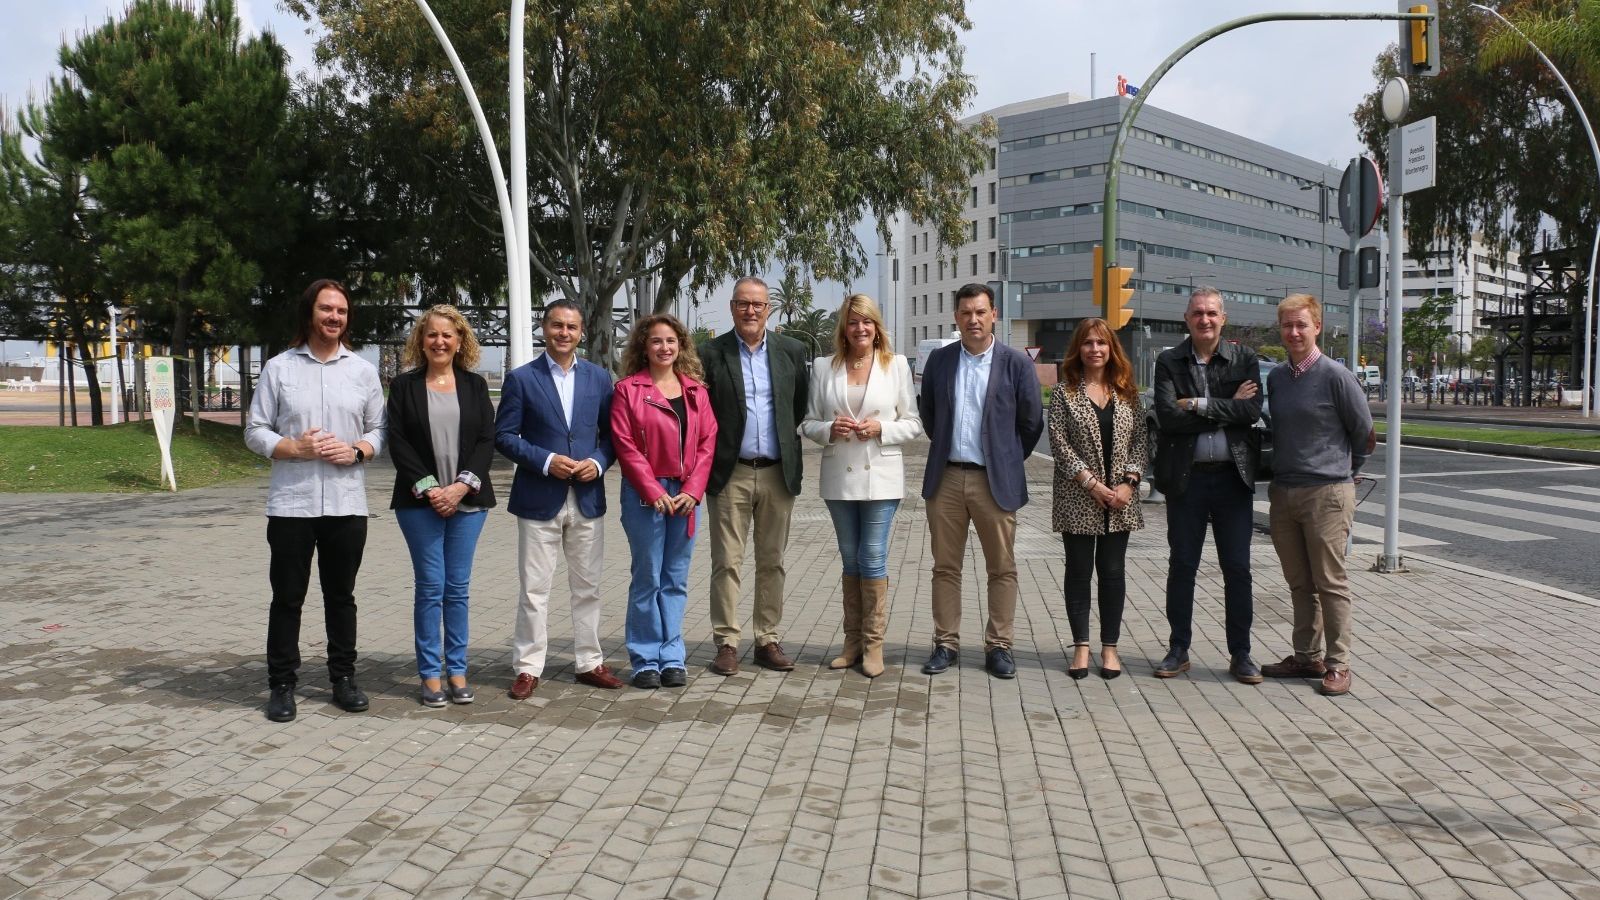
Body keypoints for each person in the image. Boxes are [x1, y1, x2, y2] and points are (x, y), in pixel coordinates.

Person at [245, 279, 384, 723]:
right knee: (287, 598)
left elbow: (380, 430)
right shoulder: (279, 368)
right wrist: (292, 448)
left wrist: (357, 450)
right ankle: (282, 685)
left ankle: (343, 678)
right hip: (292, 505)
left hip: (346, 505)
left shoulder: (362, 371)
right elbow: (254, 430)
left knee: (341, 597)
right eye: (326, 309)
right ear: (310, 314)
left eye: (341, 311)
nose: (334, 318)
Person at [495, 300, 623, 699]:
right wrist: (547, 461)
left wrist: (598, 464)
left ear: (581, 332)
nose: (563, 333)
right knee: (535, 588)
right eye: (556, 325)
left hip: (586, 497)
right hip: (539, 497)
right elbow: (505, 437)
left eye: (571, 327)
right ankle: (529, 667)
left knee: (588, 586)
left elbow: (612, 437)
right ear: (543, 328)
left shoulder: (600, 379)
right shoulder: (521, 379)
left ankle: (589, 661)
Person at [917, 283, 1045, 679]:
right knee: (945, 567)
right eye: (966, 312)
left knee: (1002, 568)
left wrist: (1004, 460)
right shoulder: (940, 362)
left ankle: (1000, 646)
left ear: (994, 316)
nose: (973, 319)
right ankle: (945, 643)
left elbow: (1031, 422)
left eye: (981, 312)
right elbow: (929, 416)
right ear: (956, 317)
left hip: (996, 483)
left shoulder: (1015, 364)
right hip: (948, 478)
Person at [799, 294, 923, 678]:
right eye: (853, 322)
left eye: (867, 321)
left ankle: (874, 645)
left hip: (881, 478)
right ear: (844, 328)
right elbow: (807, 422)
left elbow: (913, 423)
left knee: (872, 558)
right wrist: (827, 429)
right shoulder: (824, 367)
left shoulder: (896, 365)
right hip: (839, 477)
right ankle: (851, 642)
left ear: (876, 326)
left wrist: (882, 428)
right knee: (850, 559)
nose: (860, 329)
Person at [1150, 287, 1265, 684]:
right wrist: (1224, 407)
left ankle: (1241, 654)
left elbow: (1250, 411)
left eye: (1211, 313)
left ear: (1223, 318)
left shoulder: (1245, 358)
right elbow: (1167, 417)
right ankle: (1178, 648)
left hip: (1233, 479)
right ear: (1187, 318)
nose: (1205, 320)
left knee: (1238, 569)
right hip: (1187, 479)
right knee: (1182, 566)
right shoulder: (1168, 361)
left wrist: (1195, 404)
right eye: (1198, 313)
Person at [1261, 294, 1373, 696]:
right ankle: (1307, 657)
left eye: (1301, 325)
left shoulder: (1336, 376)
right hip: (1285, 491)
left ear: (1317, 327)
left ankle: (1339, 664)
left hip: (1326, 492)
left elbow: (1364, 434)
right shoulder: (1276, 378)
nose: (1293, 332)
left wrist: (1345, 473)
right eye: (1287, 325)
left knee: (1330, 582)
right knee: (1298, 582)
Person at [698, 277, 811, 675]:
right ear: (732, 308)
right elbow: (703, 412)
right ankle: (726, 642)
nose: (751, 310)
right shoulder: (710, 353)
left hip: (778, 472)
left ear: (769, 310)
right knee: (726, 561)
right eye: (743, 303)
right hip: (731, 473)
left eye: (758, 304)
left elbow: (796, 407)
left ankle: (768, 639)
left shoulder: (792, 351)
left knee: (772, 560)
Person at [386, 305, 497, 707]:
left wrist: (460, 487)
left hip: (467, 503)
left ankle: (458, 670)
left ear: (460, 340)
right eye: (431, 334)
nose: (439, 341)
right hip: (420, 503)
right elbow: (397, 441)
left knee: (458, 590)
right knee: (430, 588)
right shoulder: (404, 387)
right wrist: (433, 488)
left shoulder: (475, 385)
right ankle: (430, 675)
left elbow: (487, 439)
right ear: (421, 340)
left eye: (447, 335)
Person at [611, 314, 718, 689]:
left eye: (671, 341)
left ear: (681, 345)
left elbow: (707, 442)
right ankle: (644, 658)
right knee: (647, 578)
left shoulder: (695, 391)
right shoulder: (627, 390)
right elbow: (625, 445)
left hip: (687, 494)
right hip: (646, 494)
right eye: (656, 341)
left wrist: (692, 490)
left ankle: (672, 656)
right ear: (644, 346)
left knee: (675, 579)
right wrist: (653, 491)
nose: (664, 347)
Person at [1048, 318, 1146, 680]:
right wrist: (1092, 484)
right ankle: (1081, 648)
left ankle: (1110, 648)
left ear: (1111, 349)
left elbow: (1140, 440)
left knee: (1112, 572)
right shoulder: (1064, 392)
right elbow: (1059, 443)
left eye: (1102, 343)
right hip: (1078, 496)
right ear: (1079, 348)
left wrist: (1128, 484)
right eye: (1088, 343)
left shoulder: (1127, 392)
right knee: (1078, 571)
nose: (1095, 349)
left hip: (1120, 500)